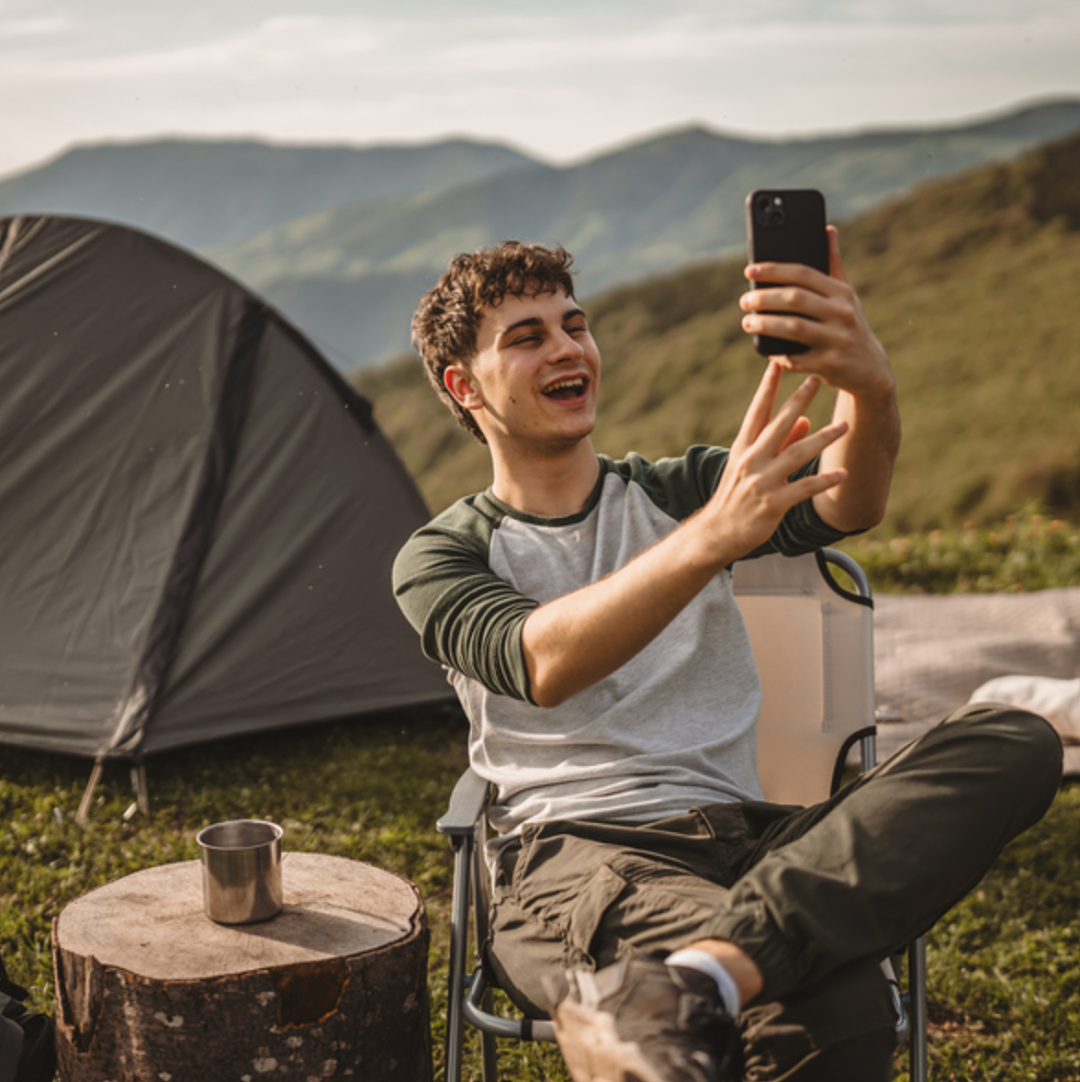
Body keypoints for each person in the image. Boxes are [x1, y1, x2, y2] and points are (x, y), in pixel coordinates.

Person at [393, 236, 1062, 1081]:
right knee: (838, 1008)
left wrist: (869, 382)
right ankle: (722, 973)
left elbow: (854, 498)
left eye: (575, 324)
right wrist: (713, 536)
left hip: (752, 839)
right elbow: (542, 663)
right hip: (582, 855)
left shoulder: (682, 488)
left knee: (1012, 738)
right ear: (464, 386)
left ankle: (701, 977)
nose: (567, 349)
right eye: (526, 337)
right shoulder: (443, 553)